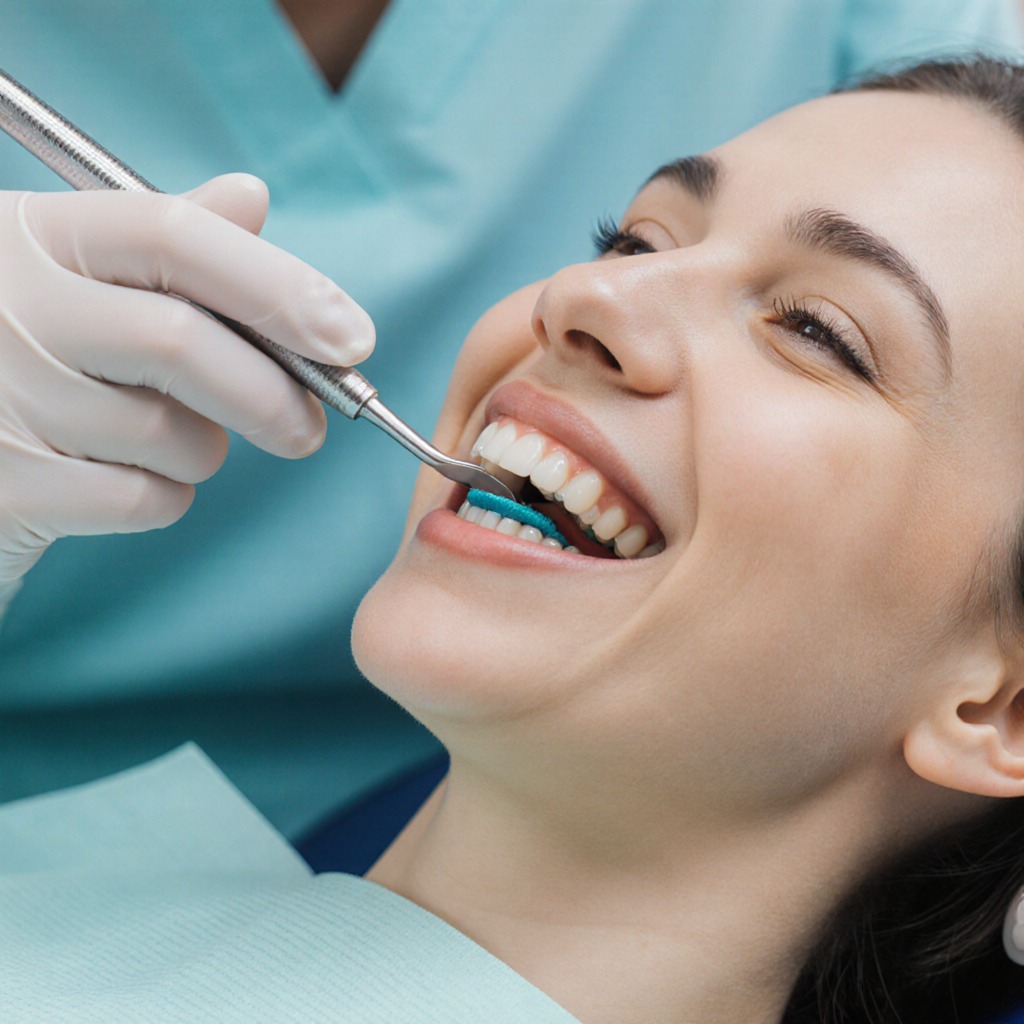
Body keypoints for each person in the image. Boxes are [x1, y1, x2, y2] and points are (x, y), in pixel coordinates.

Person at [5, 53, 1024, 1024]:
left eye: (817, 331)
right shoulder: (94, 907)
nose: (586, 296)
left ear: (1003, 709)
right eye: (632, 241)